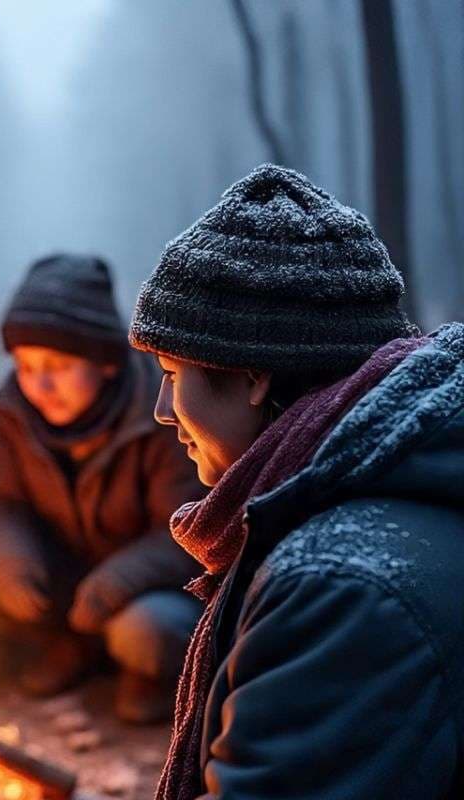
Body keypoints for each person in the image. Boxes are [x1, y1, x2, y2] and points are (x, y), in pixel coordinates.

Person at [130, 164, 464, 799]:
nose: (162, 411)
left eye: (173, 374)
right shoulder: (368, 503)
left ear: (254, 376)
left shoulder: (337, 583)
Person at [0, 253, 204, 722]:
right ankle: (64, 648)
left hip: (145, 593)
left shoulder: (160, 410)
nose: (39, 384)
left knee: (148, 630)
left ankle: (151, 677)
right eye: (26, 367)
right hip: (61, 584)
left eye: (58, 365)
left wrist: (118, 581)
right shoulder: (11, 410)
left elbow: (187, 528)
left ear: (105, 363)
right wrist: (11, 563)